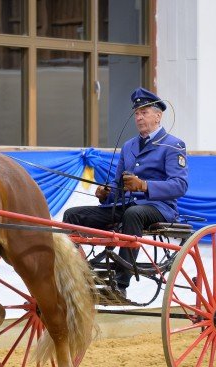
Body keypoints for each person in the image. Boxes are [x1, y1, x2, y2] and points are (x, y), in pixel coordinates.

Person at [63, 87, 189, 298]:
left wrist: (144, 186)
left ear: (158, 116)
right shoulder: (129, 146)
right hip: (125, 206)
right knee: (72, 215)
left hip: (159, 208)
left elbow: (180, 186)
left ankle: (121, 283)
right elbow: (118, 185)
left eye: (144, 112)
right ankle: (79, 274)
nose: (139, 117)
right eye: (137, 113)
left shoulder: (173, 145)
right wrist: (106, 193)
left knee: (133, 214)